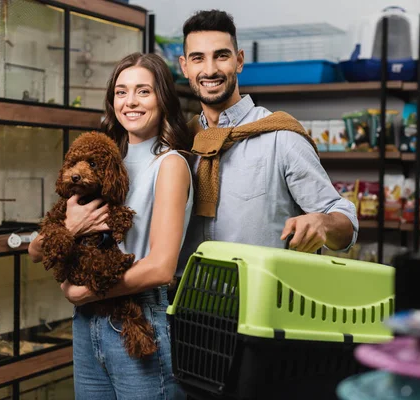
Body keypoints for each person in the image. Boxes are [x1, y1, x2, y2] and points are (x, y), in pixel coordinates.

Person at [28, 52, 192, 400]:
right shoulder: (101, 161)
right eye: (121, 92)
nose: (130, 102)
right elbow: (35, 249)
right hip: (88, 322)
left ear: (162, 98)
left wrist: (81, 292)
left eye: (143, 91)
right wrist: (71, 230)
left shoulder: (170, 164)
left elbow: (161, 267)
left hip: (142, 316)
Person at [175, 10, 358, 277]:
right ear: (184, 67)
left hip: (260, 306)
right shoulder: (180, 142)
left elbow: (345, 220)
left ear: (239, 61)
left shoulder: (281, 136)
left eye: (221, 55)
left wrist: (323, 222)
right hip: (184, 306)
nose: (210, 69)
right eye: (198, 58)